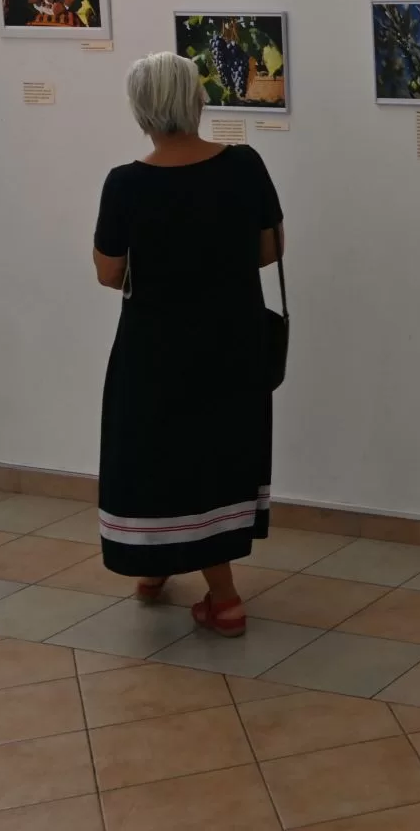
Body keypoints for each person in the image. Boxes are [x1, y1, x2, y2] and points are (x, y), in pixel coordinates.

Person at [92, 52, 284, 637]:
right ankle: (164, 570)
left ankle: (222, 598)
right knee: (217, 458)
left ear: (141, 110)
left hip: (155, 349)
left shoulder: (126, 183)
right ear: (196, 100)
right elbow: (270, 249)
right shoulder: (245, 165)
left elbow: (108, 272)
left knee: (156, 457)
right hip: (233, 342)